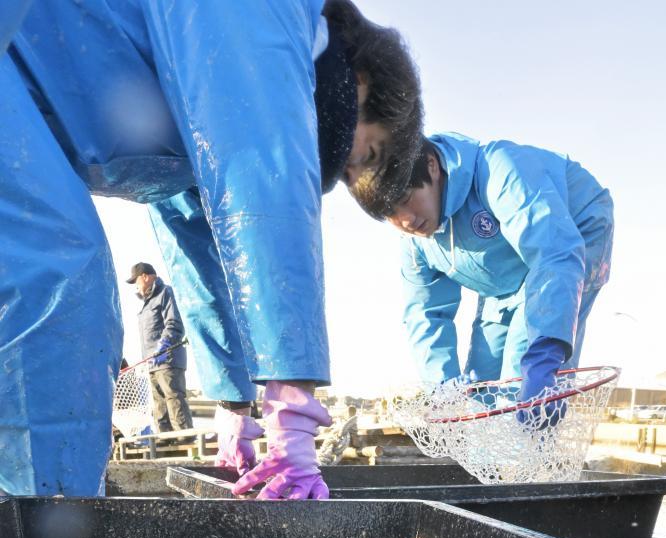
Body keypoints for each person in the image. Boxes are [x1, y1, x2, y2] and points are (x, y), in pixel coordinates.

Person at [0, 0, 422, 497]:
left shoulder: (197, 112)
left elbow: (202, 255)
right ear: (362, 78)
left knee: (60, 276)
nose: (345, 169)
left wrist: (233, 403)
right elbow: (264, 178)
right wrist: (292, 403)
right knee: (58, 280)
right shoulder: (267, 18)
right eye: (366, 155)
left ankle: (33, 525)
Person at [353, 133, 614, 416]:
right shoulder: (416, 241)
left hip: (571, 232)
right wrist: (444, 389)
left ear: (431, 166)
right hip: (504, 277)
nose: (405, 220)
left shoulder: (500, 169)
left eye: (406, 198)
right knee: (480, 385)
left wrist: (546, 351)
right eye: (390, 214)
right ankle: (486, 455)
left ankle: (529, 446)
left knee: (523, 369)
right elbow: (425, 314)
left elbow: (554, 253)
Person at [127, 261, 193, 438]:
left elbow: (174, 324)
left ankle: (184, 437)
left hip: (168, 359)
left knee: (173, 397)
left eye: (136, 281)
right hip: (151, 363)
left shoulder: (165, 292)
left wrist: (163, 347)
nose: (136, 285)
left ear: (145, 277)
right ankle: (165, 439)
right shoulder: (145, 303)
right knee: (159, 403)